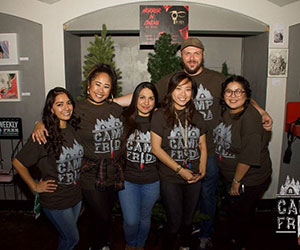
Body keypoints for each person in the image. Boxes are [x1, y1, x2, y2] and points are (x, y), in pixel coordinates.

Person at [114, 37, 273, 250]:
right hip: (175, 165)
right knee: (178, 215)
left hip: (210, 153)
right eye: (187, 53)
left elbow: (240, 91)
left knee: (206, 196)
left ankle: (205, 234)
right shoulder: (168, 85)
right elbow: (141, 97)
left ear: (202, 55)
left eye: (196, 53)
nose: (192, 57)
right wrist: (108, 102)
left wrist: (261, 111)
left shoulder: (216, 80)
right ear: (181, 57)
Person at [32, 64, 124, 250]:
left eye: (106, 86)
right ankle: (96, 245)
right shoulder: (78, 108)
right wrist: (39, 122)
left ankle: (101, 242)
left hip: (113, 171)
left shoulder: (115, 107)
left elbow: (138, 98)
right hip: (90, 172)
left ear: (111, 90)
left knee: (105, 215)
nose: (101, 90)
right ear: (88, 85)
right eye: (97, 84)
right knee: (102, 215)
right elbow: (58, 112)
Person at [13, 87, 84, 250]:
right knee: (72, 238)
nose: (66, 108)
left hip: (75, 196)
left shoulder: (73, 128)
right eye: (59, 104)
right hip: (56, 199)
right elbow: (18, 163)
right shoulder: (43, 135)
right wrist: (34, 186)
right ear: (51, 108)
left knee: (66, 238)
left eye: (68, 103)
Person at [213, 75, 272, 250]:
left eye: (239, 91)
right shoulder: (226, 110)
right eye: (229, 91)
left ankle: (240, 244)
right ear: (223, 95)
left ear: (246, 95)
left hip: (248, 179)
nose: (233, 95)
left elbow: (248, 157)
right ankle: (234, 238)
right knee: (234, 212)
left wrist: (236, 182)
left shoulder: (250, 119)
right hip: (230, 175)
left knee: (241, 217)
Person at [151, 72, 207, 250]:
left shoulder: (198, 117)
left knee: (188, 221)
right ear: (171, 91)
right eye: (178, 88)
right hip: (171, 177)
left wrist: (203, 169)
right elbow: (156, 149)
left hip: (194, 175)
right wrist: (179, 170)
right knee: (174, 222)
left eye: (188, 89)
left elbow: (202, 146)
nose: (183, 94)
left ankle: (184, 245)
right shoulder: (160, 115)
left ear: (192, 93)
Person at [118, 82, 160, 250]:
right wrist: (39, 124)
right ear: (134, 99)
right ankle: (130, 244)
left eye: (151, 98)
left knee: (145, 217)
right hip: (128, 180)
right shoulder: (123, 120)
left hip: (152, 181)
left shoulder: (160, 120)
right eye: (142, 97)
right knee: (131, 220)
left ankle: (140, 245)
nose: (146, 102)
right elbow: (103, 106)